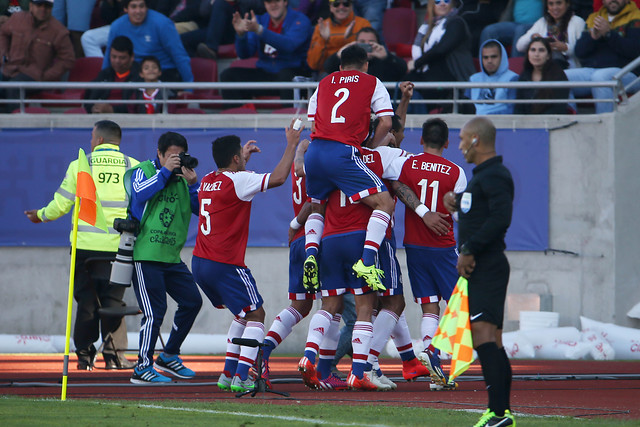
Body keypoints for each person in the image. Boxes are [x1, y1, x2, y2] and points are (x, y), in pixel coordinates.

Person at [191, 122, 301, 393]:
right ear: (235, 159)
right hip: (224, 263)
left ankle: (228, 374)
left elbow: (233, 177)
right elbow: (277, 178)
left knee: (242, 314)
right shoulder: (238, 180)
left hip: (200, 262)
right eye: (240, 153)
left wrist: (242, 161)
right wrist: (291, 143)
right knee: (257, 314)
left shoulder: (208, 179)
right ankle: (242, 376)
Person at [24, 120, 139, 371]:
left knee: (87, 302)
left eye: (91, 137)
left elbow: (61, 204)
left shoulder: (81, 165)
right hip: (121, 249)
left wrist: (40, 215)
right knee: (113, 303)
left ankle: (85, 357)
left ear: (98, 140)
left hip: (85, 249)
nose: (89, 141)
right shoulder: (134, 166)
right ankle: (114, 356)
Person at [303, 44, 394, 299]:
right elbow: (386, 121)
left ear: (341, 67)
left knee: (317, 205)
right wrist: (371, 147)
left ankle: (310, 254)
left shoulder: (324, 82)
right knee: (384, 203)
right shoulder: (371, 81)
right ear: (366, 64)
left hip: (315, 151)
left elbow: (313, 120)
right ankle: (367, 262)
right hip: (342, 152)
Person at [443, 116, 515, 427]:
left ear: (476, 140)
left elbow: (501, 218)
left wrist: (470, 249)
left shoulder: (496, 174)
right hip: (482, 264)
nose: (459, 146)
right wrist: (456, 203)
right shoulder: (482, 176)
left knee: (485, 335)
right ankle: (501, 412)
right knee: (492, 338)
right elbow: (480, 211)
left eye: (462, 140)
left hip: (488, 264)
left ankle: (498, 413)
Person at [385, 118, 467, 390]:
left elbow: (396, 185)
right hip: (443, 247)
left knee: (429, 306)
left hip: (415, 246)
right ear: (447, 142)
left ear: (421, 140)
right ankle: (434, 354)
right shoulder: (456, 172)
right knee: (461, 306)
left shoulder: (405, 163)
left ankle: (436, 372)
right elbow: (459, 214)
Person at [125, 131, 203, 383]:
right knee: (154, 312)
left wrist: (193, 185)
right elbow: (139, 193)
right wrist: (164, 171)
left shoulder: (183, 179)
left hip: (171, 257)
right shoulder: (143, 170)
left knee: (192, 301)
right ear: (159, 154)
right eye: (171, 157)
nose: (176, 161)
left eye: (179, 157)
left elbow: (202, 210)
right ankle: (142, 367)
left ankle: (169, 355)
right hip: (145, 255)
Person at [261, 139, 317, 388]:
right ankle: (319, 364)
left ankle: (264, 349)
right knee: (333, 305)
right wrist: (296, 224)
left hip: (298, 240)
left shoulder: (304, 150)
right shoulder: (324, 152)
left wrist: (294, 226)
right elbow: (314, 200)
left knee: (301, 306)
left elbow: (299, 168)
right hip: (316, 237)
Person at [219, 0, 312, 104]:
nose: (273, 5)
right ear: (264, 4)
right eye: (269, 1)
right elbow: (244, 54)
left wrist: (260, 30)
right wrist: (241, 36)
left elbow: (289, 45)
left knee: (285, 76)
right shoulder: (260, 20)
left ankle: (289, 118)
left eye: (277, 1)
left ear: (285, 2)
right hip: (266, 73)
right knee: (228, 76)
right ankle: (238, 117)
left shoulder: (300, 20)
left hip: (294, 72)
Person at [564, 0, 640, 113]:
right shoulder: (594, 18)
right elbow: (579, 52)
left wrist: (609, 34)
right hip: (594, 71)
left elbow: (634, 51)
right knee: (562, 75)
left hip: (627, 74)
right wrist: (592, 38)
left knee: (600, 77)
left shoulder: (636, 16)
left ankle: (604, 123)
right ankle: (570, 121)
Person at [0, 0, 75, 113]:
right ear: (31, 6)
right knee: (10, 85)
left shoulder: (59, 31)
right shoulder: (17, 18)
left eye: (47, 6)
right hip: (9, 69)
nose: (43, 9)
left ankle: (13, 125)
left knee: (14, 87)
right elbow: (3, 33)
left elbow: (68, 59)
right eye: (39, 5)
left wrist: (47, 76)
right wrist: (2, 52)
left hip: (35, 76)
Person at [406, 0, 476, 113]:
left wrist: (416, 63)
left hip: (452, 77)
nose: (442, 4)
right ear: (432, 5)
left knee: (411, 85)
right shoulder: (428, 27)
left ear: (453, 3)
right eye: (437, 1)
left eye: (446, 0)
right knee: (405, 83)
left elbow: (441, 49)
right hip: (432, 75)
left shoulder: (457, 22)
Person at [103, 0, 194, 83]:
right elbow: (108, 56)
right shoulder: (117, 26)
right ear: (126, 9)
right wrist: (104, 79)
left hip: (163, 72)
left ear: (147, 7)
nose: (138, 11)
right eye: (134, 7)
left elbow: (179, 56)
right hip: (135, 73)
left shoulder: (162, 24)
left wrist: (188, 87)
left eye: (141, 6)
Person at [515, 0, 586, 69]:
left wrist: (565, 48)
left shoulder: (578, 22)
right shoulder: (542, 22)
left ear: (567, 4)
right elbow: (519, 46)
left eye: (559, 3)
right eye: (551, 4)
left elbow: (584, 51)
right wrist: (533, 37)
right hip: (543, 69)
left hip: (570, 70)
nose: (555, 7)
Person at [306, 0, 371, 74]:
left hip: (358, 72)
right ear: (331, 7)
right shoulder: (321, 27)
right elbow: (313, 64)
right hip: (328, 73)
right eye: (336, 4)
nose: (341, 7)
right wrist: (323, 40)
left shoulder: (363, 24)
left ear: (351, 6)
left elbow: (368, 56)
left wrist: (348, 38)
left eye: (346, 4)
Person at [323, 27, 407, 83]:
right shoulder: (350, 62)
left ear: (378, 43)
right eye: (362, 42)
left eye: (371, 42)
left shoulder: (385, 61)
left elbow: (403, 69)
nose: (366, 45)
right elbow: (328, 67)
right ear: (356, 43)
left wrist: (387, 57)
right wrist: (340, 54)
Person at [83, 35, 141, 114]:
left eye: (122, 58)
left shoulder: (140, 76)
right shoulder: (104, 74)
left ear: (132, 57)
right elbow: (89, 99)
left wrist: (113, 110)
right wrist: (93, 108)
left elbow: (138, 106)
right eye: (114, 57)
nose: (117, 61)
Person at [190, 0, 265, 59]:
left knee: (221, 3)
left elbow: (261, 6)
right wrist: (213, 1)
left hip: (239, 28)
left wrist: (237, 0)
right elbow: (203, 11)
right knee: (184, 40)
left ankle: (211, 48)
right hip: (215, 30)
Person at [514, 37, 570, 114]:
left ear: (548, 56)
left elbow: (558, 108)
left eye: (541, 50)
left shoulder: (558, 75)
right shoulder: (524, 75)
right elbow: (519, 106)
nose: (536, 54)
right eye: (533, 50)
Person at [468, 39, 519, 115]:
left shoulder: (512, 78)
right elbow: (466, 107)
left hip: (501, 122)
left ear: (502, 57)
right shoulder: (474, 79)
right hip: (475, 122)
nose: (489, 61)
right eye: (485, 57)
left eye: (494, 57)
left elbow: (512, 109)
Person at [479, 0, 544, 57]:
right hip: (516, 24)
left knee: (520, 30)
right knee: (489, 31)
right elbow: (508, 12)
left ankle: (515, 68)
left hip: (537, 26)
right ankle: (485, 68)